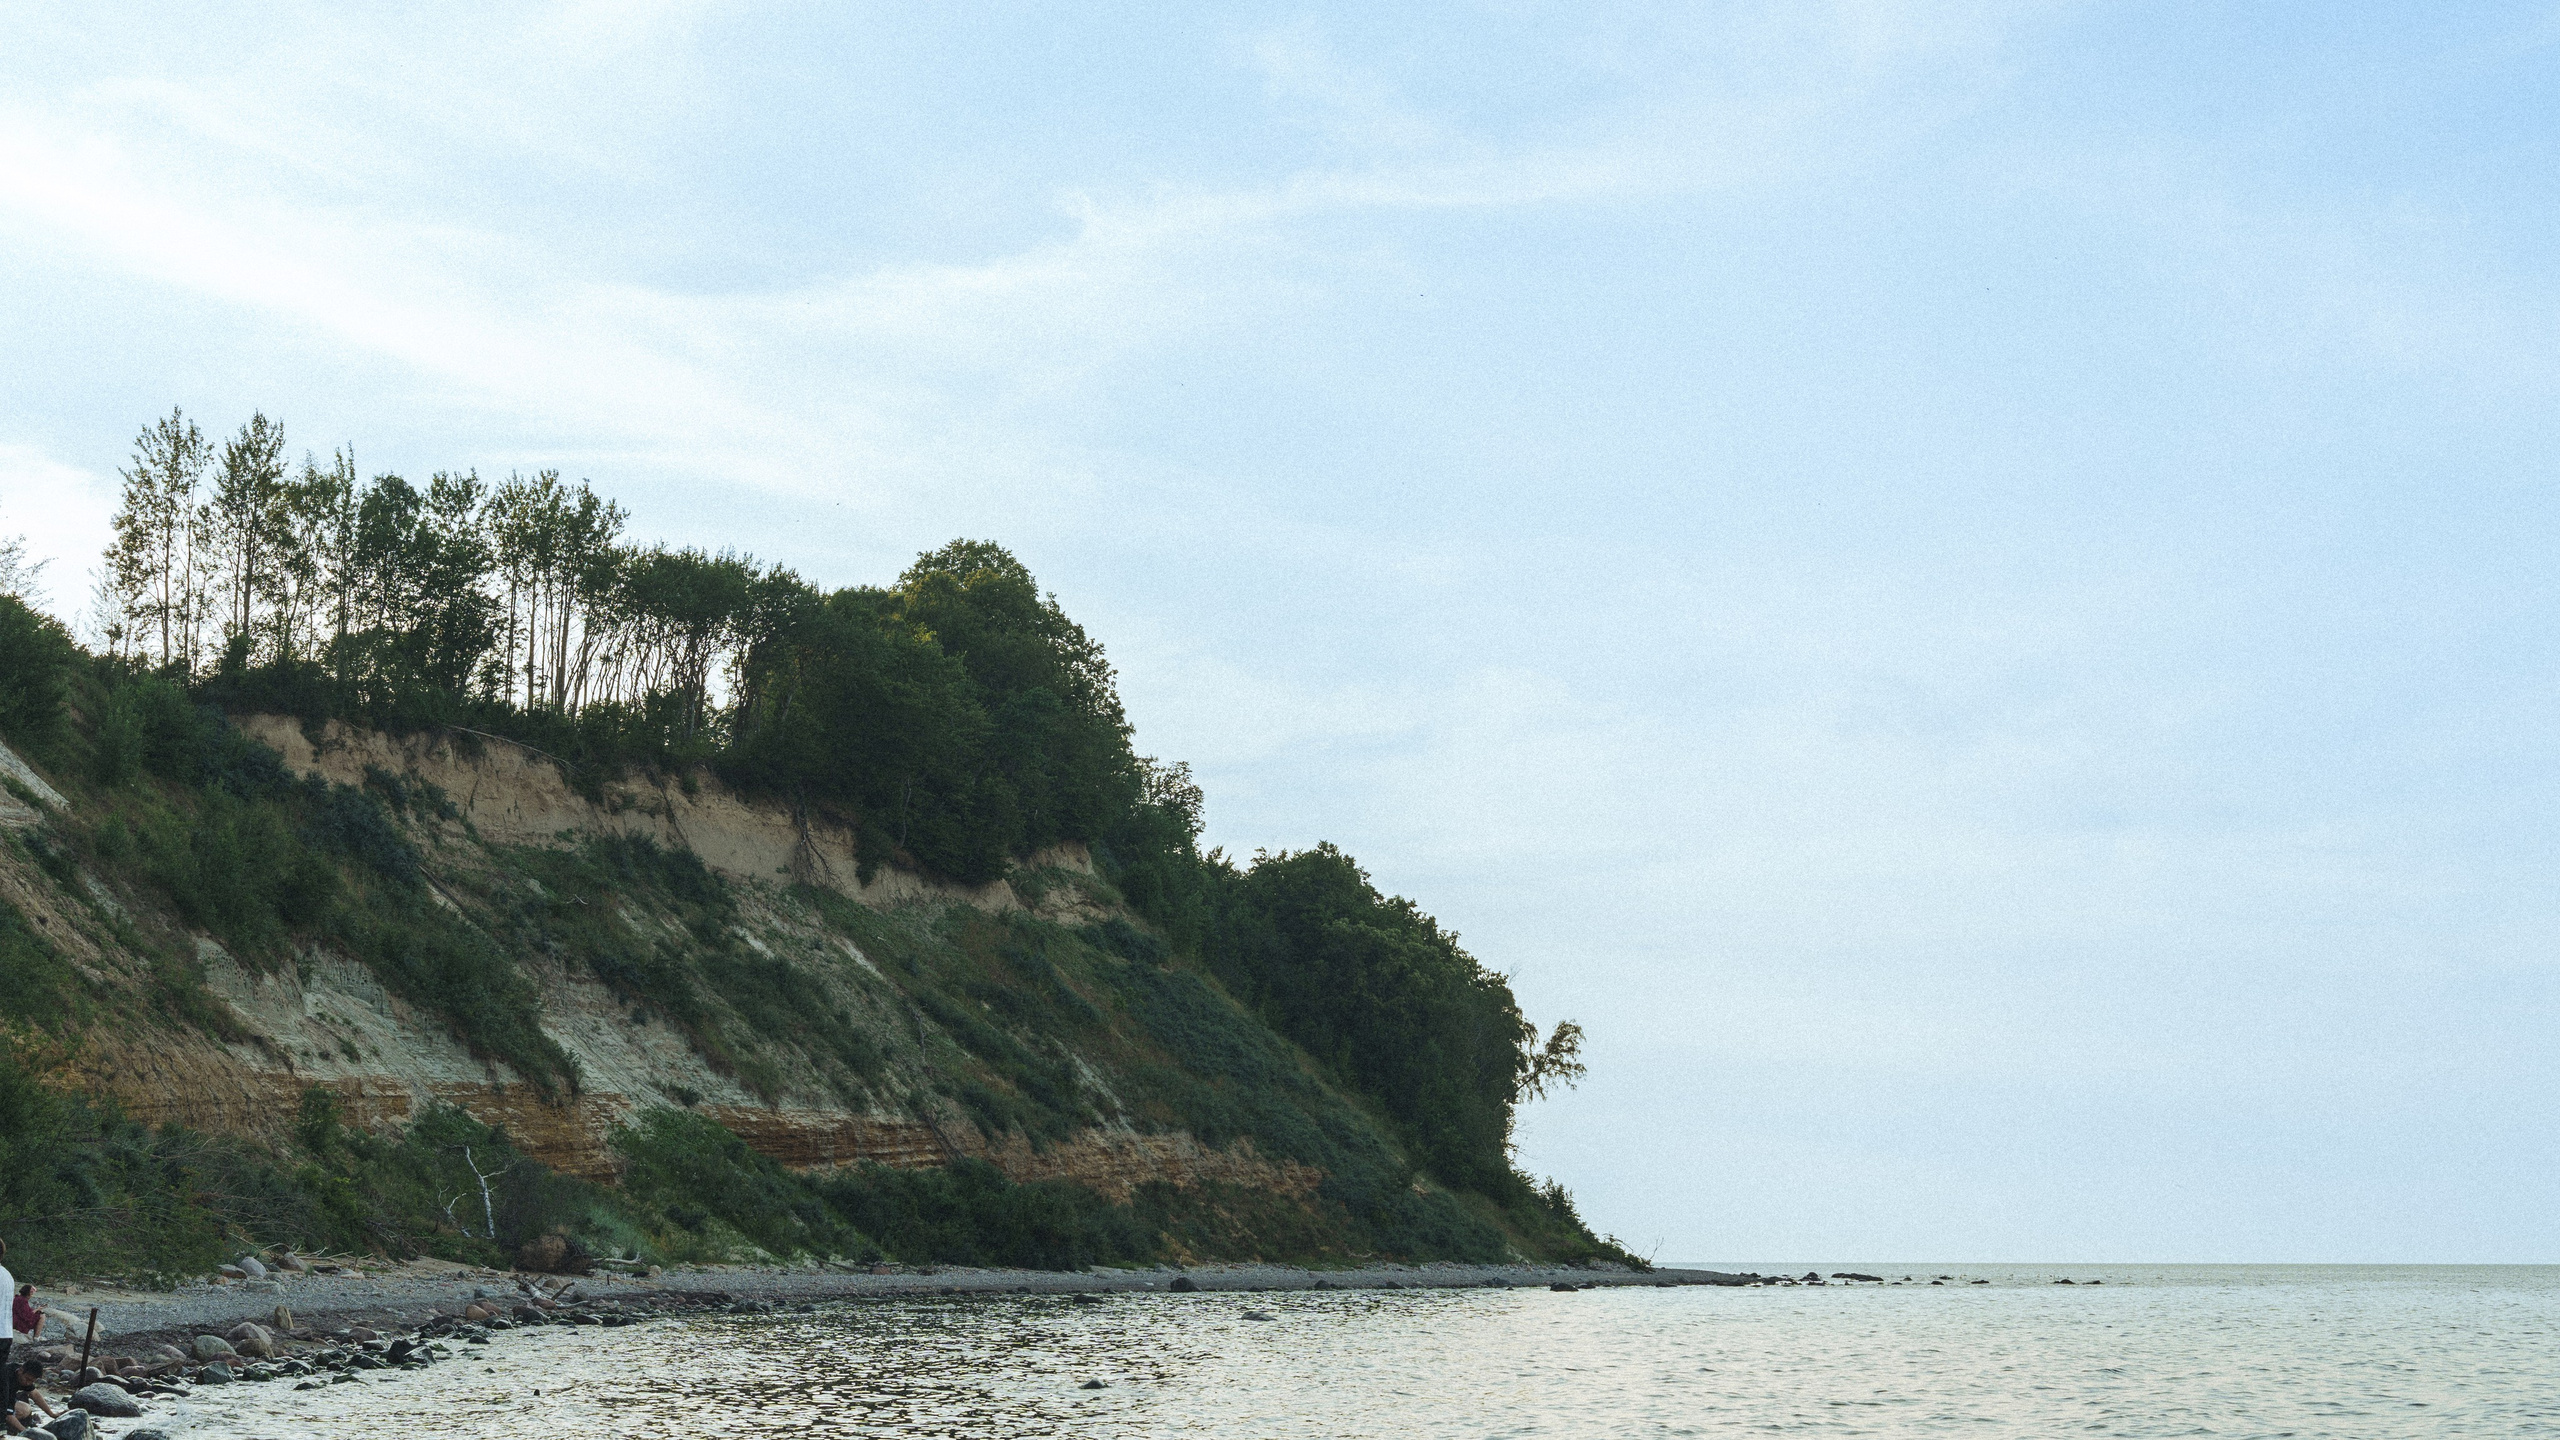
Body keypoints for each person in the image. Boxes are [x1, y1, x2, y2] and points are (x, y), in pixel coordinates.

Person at [2, 1358, 55, 1436]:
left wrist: (51, 1414)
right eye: (27, 1379)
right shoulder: (6, 1379)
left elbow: (34, 1393)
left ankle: (11, 1432)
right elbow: (7, 1414)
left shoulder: (18, 1372)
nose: (28, 1383)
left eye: (32, 1381)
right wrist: (27, 1433)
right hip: (2, 1396)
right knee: (18, 1412)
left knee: (25, 1408)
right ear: (21, 1370)